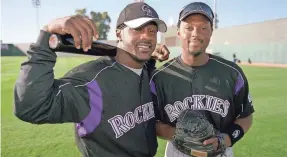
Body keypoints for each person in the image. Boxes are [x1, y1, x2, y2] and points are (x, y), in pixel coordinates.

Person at [13, 2, 169, 157]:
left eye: (152, 31)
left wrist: (149, 57)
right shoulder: (90, 81)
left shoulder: (147, 73)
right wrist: (46, 35)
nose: (147, 36)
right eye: (137, 29)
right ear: (119, 33)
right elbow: (30, 107)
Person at [150, 2, 254, 157]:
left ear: (211, 32)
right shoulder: (160, 77)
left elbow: (246, 116)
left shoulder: (232, 74)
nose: (195, 34)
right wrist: (176, 135)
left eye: (203, 28)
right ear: (179, 32)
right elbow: (152, 122)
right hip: (178, 151)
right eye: (189, 28)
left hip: (220, 151)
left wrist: (226, 138)